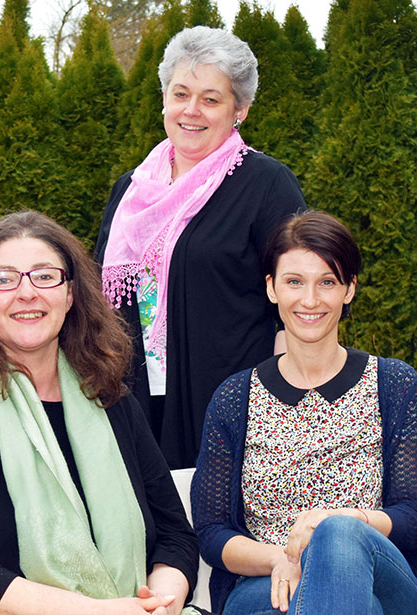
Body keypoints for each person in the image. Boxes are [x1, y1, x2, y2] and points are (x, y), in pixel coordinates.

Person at [0, 211, 198, 615]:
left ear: (70, 295)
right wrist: (99, 612)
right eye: (3, 279)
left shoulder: (112, 401)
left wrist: (161, 604)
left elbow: (175, 534)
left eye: (45, 276)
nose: (26, 292)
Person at [190, 211, 417, 615]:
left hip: (385, 578)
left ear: (349, 289)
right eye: (294, 282)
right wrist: (281, 559)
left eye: (327, 282)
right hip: (268, 580)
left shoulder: (392, 384)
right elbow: (213, 533)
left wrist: (334, 522)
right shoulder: (235, 398)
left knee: (338, 534)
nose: (310, 300)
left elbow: (414, 519)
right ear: (271, 288)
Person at [95, 25, 307, 470]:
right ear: (165, 99)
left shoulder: (267, 185)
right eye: (180, 94)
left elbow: (295, 303)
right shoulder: (130, 191)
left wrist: (289, 412)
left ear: (240, 110)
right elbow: (100, 300)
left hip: (229, 411)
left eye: (211, 99)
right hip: (132, 405)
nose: (192, 111)